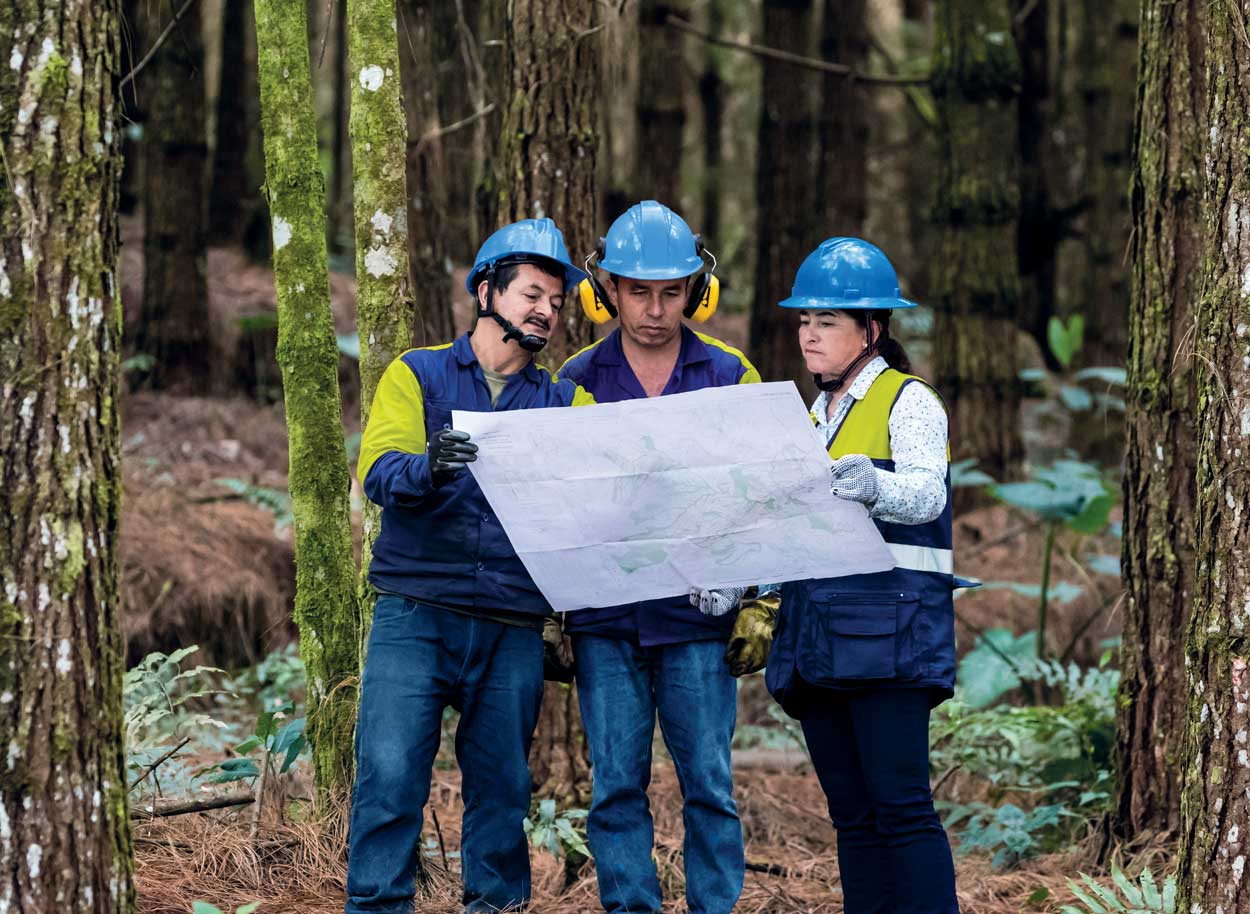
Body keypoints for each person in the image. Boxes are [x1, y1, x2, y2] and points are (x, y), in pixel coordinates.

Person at [344, 218, 594, 914]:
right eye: (531, 294)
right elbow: (377, 470)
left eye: (555, 301)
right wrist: (428, 466)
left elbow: (605, 489)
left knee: (502, 792)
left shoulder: (566, 402)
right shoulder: (417, 372)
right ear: (486, 292)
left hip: (512, 625)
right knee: (389, 778)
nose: (546, 311)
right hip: (414, 614)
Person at [557, 200, 768, 914]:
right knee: (615, 785)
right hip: (605, 619)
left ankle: (715, 907)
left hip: (698, 621)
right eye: (638, 292)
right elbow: (554, 501)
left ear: (696, 292)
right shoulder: (575, 378)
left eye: (671, 293)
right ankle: (630, 906)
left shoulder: (730, 374)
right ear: (607, 291)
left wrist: (755, 590)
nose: (654, 311)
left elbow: (764, 492)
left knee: (709, 784)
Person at [763, 237, 964, 914]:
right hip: (818, 643)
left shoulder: (910, 401)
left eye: (827, 321)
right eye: (803, 320)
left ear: (871, 329)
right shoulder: (812, 416)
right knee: (852, 816)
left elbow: (927, 494)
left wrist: (874, 485)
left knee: (901, 809)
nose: (809, 334)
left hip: (890, 642)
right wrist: (744, 582)